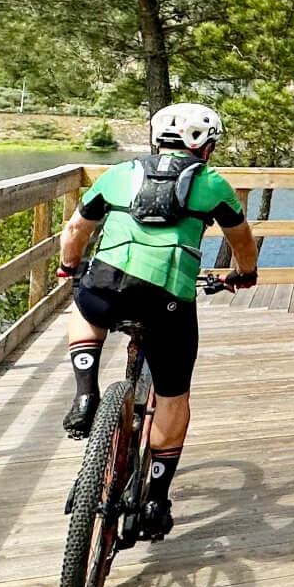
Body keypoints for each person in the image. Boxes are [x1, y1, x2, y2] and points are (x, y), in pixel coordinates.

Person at [55, 103, 257, 543]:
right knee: (173, 396)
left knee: (83, 305)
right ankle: (155, 501)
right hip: (167, 302)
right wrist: (245, 274)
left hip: (106, 289)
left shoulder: (118, 174)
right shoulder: (211, 184)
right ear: (204, 144)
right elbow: (241, 239)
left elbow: (75, 232)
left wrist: (70, 269)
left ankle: (86, 396)